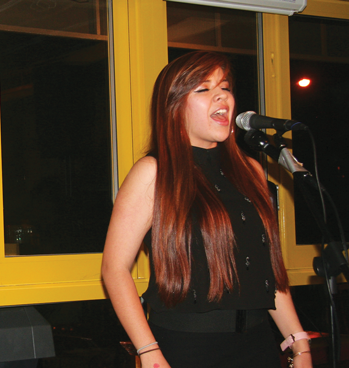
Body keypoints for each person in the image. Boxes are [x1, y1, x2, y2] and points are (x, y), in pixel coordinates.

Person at [101, 51, 312, 368]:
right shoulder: (154, 172)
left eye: (225, 87)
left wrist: (300, 344)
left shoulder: (251, 170)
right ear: (175, 106)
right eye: (203, 89)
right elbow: (114, 269)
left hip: (258, 344)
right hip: (186, 347)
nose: (222, 96)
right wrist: (148, 352)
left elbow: (265, 271)